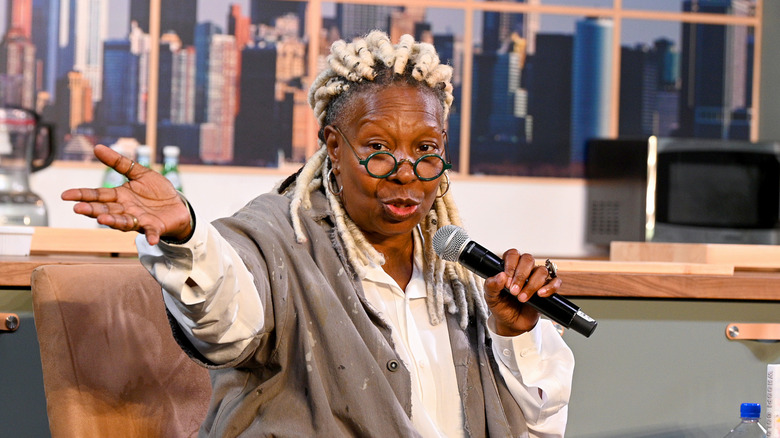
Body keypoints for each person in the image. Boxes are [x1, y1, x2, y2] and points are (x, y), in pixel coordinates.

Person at [62, 30, 574, 437]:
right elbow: (225, 321)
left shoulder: (462, 278)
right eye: (378, 148)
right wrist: (187, 236)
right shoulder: (279, 240)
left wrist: (515, 335)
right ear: (334, 145)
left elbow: (540, 426)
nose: (405, 172)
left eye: (425, 150)